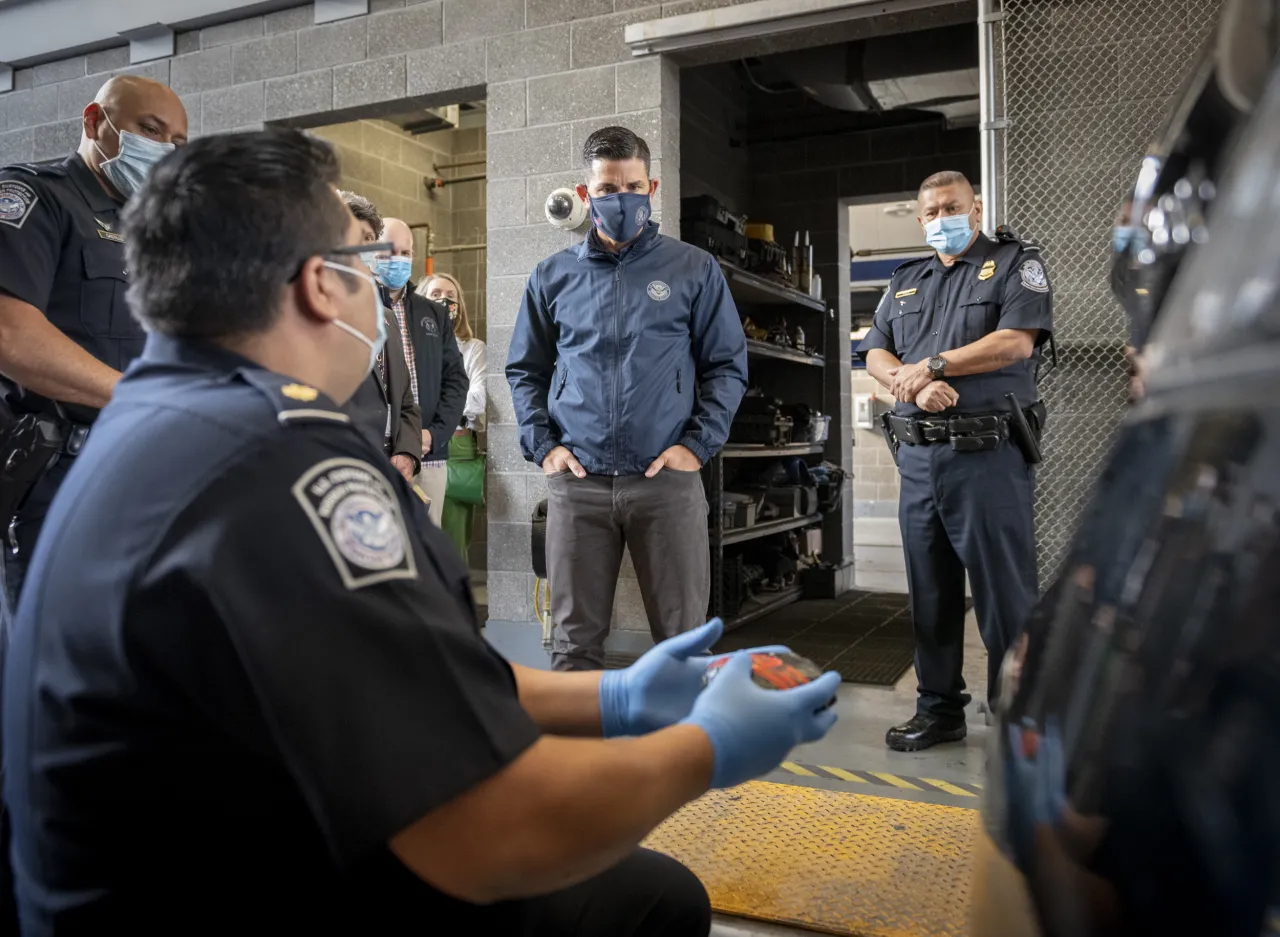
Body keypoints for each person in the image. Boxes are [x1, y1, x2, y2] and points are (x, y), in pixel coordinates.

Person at [1, 127, 842, 937]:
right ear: (317, 285)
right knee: (657, 899)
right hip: (237, 887)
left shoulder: (154, 418)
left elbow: (405, 676)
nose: (383, 287)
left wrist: (614, 697)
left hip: (165, 863)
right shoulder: (291, 467)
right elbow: (495, 832)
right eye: (367, 264)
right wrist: (708, 747)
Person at [506, 126, 748, 672]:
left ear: (652, 186)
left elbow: (727, 367)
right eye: (609, 190)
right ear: (587, 193)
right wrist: (544, 446)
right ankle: (579, 757)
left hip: (667, 482)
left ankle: (678, 755)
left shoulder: (693, 269)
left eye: (634, 187)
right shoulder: (552, 276)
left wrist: (696, 445)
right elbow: (525, 369)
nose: (623, 200)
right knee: (572, 646)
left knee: (683, 645)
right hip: (579, 485)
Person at [859, 170, 1053, 752]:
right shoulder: (907, 279)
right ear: (919, 220)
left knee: (1005, 597)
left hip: (987, 457)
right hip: (919, 460)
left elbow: (1016, 341)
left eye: (953, 207)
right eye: (931, 211)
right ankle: (939, 710)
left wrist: (936, 366)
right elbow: (874, 350)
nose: (941, 218)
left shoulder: (1016, 264)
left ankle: (1019, 718)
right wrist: (910, 384)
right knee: (931, 593)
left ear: (976, 207)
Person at [0, 75, 188, 609]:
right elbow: (11, 336)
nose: (164, 152)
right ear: (93, 121)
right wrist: (141, 396)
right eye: (150, 131)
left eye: (177, 144)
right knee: (52, 660)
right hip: (56, 474)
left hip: (139, 469)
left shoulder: (154, 234)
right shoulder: (35, 196)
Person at [374, 218, 466, 523]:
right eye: (389, 252)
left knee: (427, 549)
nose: (398, 260)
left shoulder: (434, 313)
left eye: (406, 252)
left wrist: (434, 435)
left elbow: (455, 381)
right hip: (376, 451)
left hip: (429, 453)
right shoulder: (360, 305)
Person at [338, 191, 420, 481]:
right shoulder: (313, 318)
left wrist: (407, 451)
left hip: (388, 466)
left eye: (369, 238)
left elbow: (406, 401)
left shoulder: (386, 318)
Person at [418, 272, 486, 561]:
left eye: (450, 297)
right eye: (435, 295)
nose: (443, 302)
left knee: (452, 543)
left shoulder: (472, 348)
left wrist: (437, 413)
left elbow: (479, 399)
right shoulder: (407, 344)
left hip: (456, 447)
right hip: (408, 443)